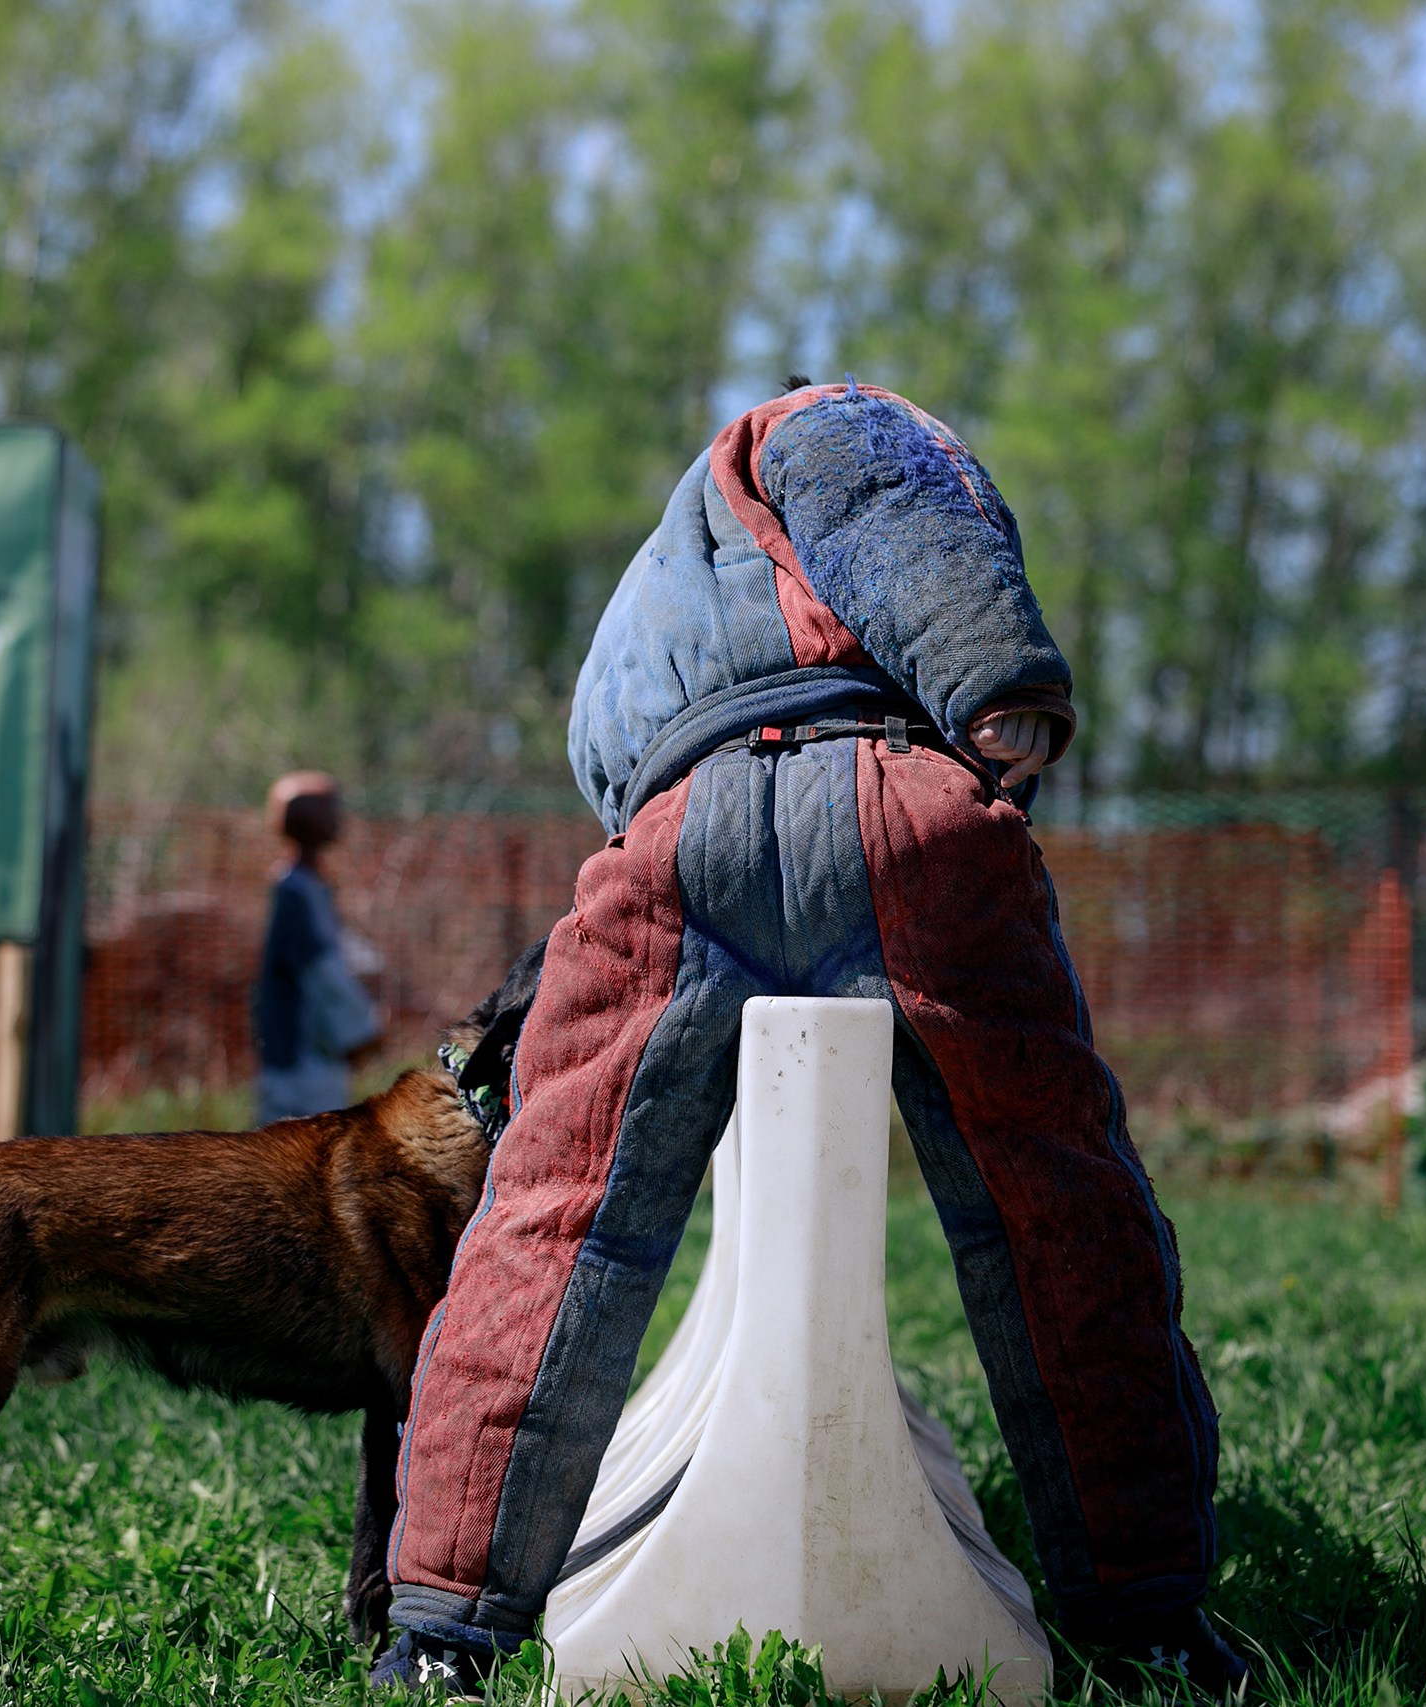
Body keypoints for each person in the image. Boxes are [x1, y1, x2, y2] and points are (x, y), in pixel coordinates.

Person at [372, 383, 1250, 1697]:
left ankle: (444, 1620)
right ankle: (1148, 1615)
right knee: (1056, 1208)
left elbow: (607, 766)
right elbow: (881, 477)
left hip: (670, 841)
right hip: (900, 805)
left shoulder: (660, 583)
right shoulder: (820, 418)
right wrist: (994, 677)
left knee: (550, 1222)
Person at [252, 771, 384, 1124]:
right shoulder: (295, 892)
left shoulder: (308, 886)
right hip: (301, 1054)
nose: (339, 818)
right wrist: (362, 1030)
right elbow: (322, 970)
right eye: (330, 809)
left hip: (313, 1050)